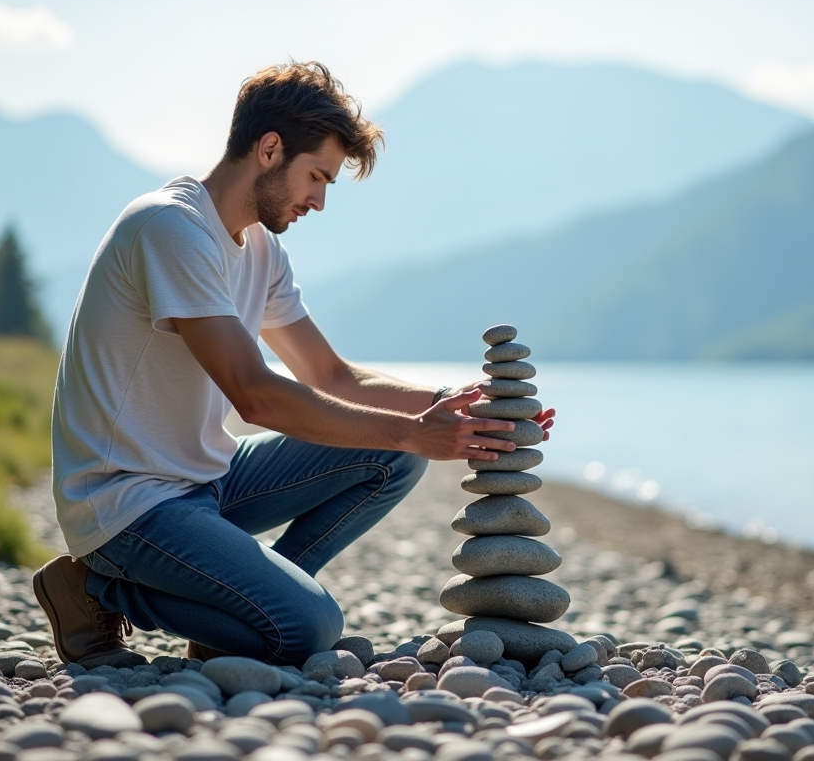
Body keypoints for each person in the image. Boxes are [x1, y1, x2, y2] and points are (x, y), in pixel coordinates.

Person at [33, 62, 554, 669]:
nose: (320, 200)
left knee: (395, 453)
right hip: (127, 503)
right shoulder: (169, 228)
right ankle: (93, 588)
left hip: (206, 481)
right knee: (309, 629)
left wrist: (459, 408)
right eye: (317, 176)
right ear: (270, 148)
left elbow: (332, 377)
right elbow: (255, 396)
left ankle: (246, 610)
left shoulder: (261, 249)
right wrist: (415, 429)